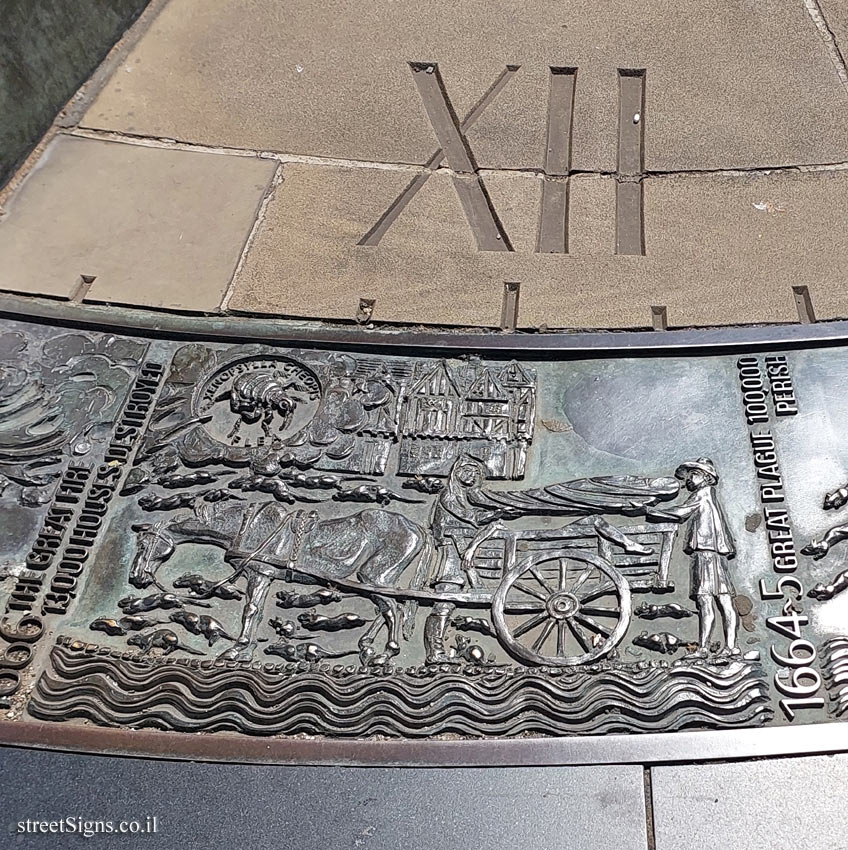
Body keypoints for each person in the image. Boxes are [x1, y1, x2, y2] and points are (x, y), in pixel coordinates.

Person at [645, 457, 739, 656]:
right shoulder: (707, 495)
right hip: (710, 553)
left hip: (706, 553)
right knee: (719, 600)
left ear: (706, 477)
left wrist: (650, 512)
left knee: (710, 600)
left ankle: (712, 647)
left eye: (693, 474)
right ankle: (726, 646)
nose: (688, 479)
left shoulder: (702, 494)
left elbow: (680, 512)